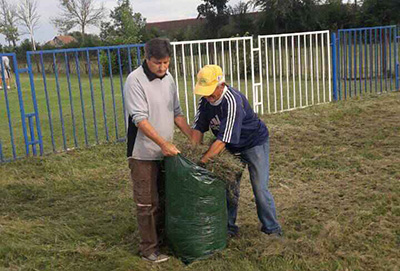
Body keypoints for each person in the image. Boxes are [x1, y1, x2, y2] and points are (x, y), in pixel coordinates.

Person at [191, 65, 283, 238]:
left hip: (253, 143)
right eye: (205, 91)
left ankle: (272, 228)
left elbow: (222, 140)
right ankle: (228, 228)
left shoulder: (232, 101)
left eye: (211, 91)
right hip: (230, 147)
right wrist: (193, 152)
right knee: (229, 187)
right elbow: (198, 128)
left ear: (221, 85)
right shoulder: (205, 101)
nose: (208, 96)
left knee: (259, 188)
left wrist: (201, 162)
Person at [124, 38, 192, 263]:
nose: (162, 68)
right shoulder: (135, 80)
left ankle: (163, 240)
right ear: (147, 58)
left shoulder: (169, 78)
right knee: (147, 202)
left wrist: (192, 137)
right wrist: (163, 143)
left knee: (165, 199)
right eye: (157, 63)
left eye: (166, 63)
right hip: (143, 153)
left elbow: (176, 112)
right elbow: (139, 120)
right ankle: (148, 249)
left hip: (166, 152)